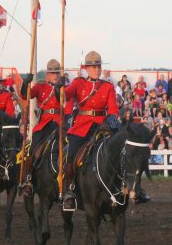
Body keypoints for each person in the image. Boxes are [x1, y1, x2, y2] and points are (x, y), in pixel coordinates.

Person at [60, 51, 119, 211]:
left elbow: (113, 110)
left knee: (119, 151)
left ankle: (121, 187)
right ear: (86, 68)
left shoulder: (108, 86)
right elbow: (66, 95)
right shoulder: (78, 83)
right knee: (71, 154)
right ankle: (69, 191)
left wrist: (110, 122)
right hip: (82, 126)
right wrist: (60, 86)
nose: (96, 70)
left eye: (98, 67)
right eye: (93, 67)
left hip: (102, 126)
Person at [19, 59, 64, 195]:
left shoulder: (63, 87)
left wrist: (58, 90)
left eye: (57, 72)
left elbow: (64, 103)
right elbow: (24, 95)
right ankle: (29, 178)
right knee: (33, 149)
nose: (55, 75)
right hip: (44, 124)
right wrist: (26, 82)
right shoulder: (40, 87)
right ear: (47, 75)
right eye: (52, 73)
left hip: (59, 123)